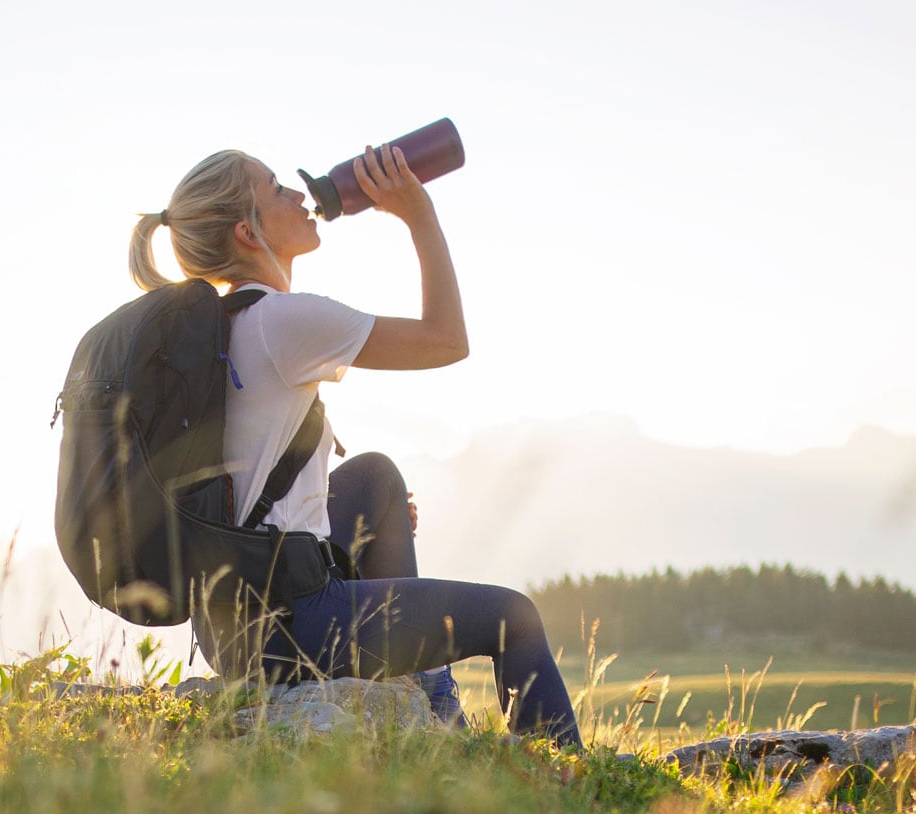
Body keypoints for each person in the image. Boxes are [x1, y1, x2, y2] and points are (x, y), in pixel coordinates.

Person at [126, 144, 582, 749]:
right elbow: (446, 341)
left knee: (373, 478)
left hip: (230, 623)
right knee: (513, 619)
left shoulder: (221, 327)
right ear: (247, 230)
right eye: (275, 189)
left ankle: (432, 701)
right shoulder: (285, 321)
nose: (295, 194)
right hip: (293, 626)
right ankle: (557, 779)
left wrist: (373, 527)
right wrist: (417, 213)